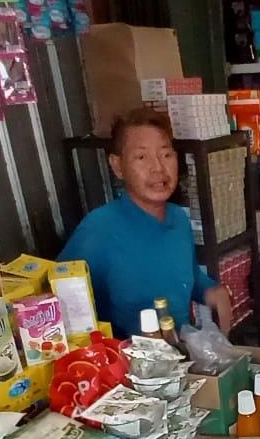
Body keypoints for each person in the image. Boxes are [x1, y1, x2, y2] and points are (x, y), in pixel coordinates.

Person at [59, 108, 232, 338]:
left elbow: (185, 276)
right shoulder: (98, 230)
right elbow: (55, 303)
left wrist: (211, 291)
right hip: (129, 359)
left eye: (166, 155)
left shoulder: (178, 219)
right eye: (141, 157)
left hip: (181, 350)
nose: (158, 168)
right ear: (118, 166)